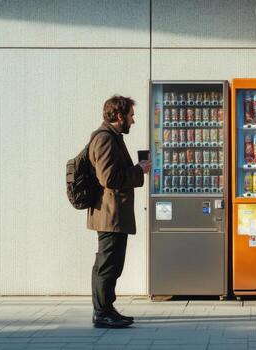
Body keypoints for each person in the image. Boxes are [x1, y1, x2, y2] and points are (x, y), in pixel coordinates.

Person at [87, 95, 151, 328]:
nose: (133, 121)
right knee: (107, 264)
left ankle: (107, 309)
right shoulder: (105, 139)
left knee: (111, 264)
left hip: (113, 214)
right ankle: (102, 312)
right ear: (119, 115)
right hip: (109, 215)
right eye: (131, 116)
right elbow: (109, 178)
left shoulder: (112, 137)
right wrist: (139, 170)